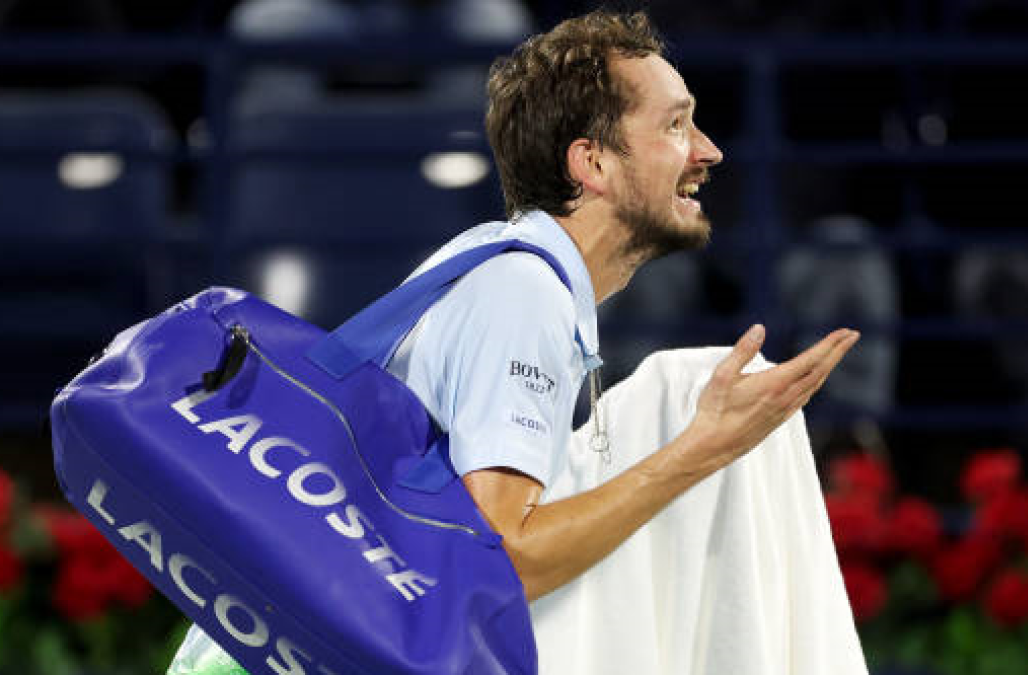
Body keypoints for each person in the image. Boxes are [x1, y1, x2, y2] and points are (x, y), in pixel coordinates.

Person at [169, 9, 858, 672]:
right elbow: (503, 557)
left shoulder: (497, 265)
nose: (707, 150)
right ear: (592, 163)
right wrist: (702, 451)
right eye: (676, 125)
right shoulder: (523, 293)